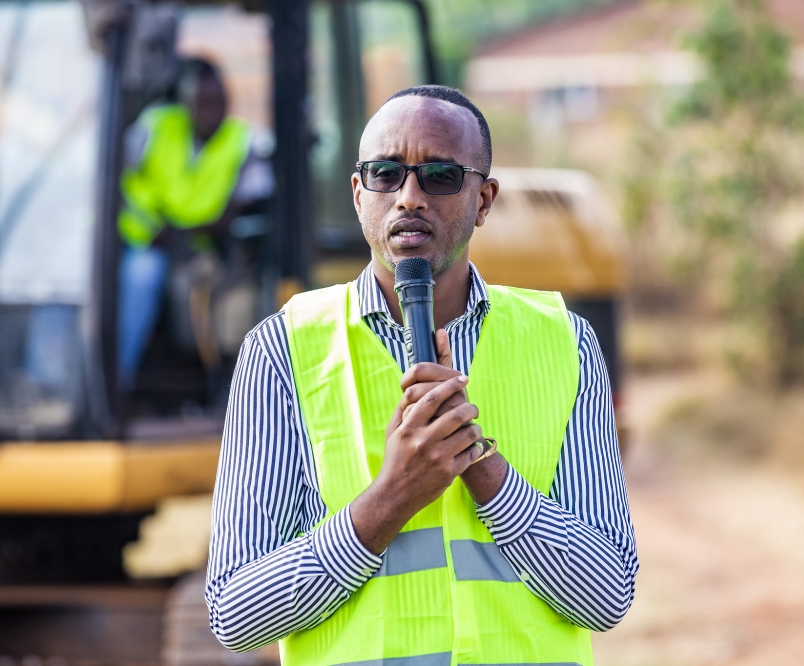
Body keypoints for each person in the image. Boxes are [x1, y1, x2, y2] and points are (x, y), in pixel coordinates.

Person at [206, 85, 637, 664]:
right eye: (385, 174)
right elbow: (236, 614)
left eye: (439, 176)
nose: (409, 197)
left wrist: (481, 468)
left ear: (484, 200)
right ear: (359, 195)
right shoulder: (283, 350)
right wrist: (391, 499)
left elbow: (605, 596)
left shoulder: (565, 340)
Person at [117, 57, 273, 390]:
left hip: (193, 248)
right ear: (185, 103)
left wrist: (191, 233)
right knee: (135, 274)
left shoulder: (241, 143)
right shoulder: (155, 125)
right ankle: (114, 379)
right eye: (200, 103)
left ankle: (121, 381)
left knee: (149, 278)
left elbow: (248, 205)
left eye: (217, 102)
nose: (209, 111)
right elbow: (113, 176)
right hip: (138, 239)